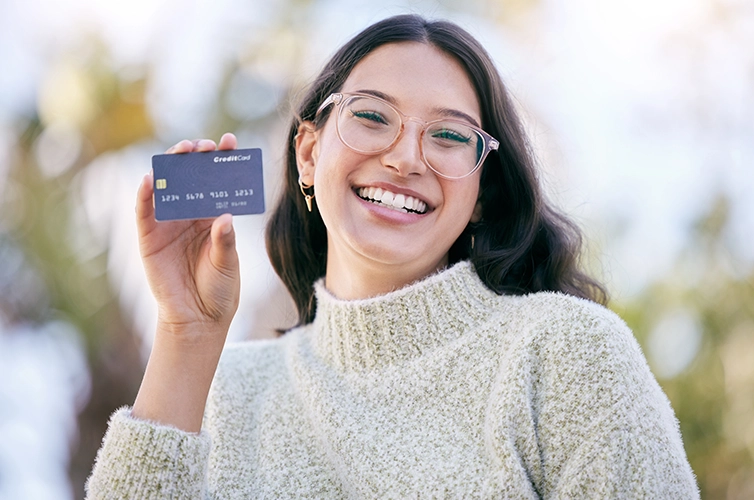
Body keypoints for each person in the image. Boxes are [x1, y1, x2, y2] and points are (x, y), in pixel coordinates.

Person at [86, 14, 699, 499]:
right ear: (307, 152)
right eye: (373, 117)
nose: (406, 158)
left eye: (450, 135)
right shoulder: (225, 395)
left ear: (482, 193)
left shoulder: (564, 352)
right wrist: (185, 333)